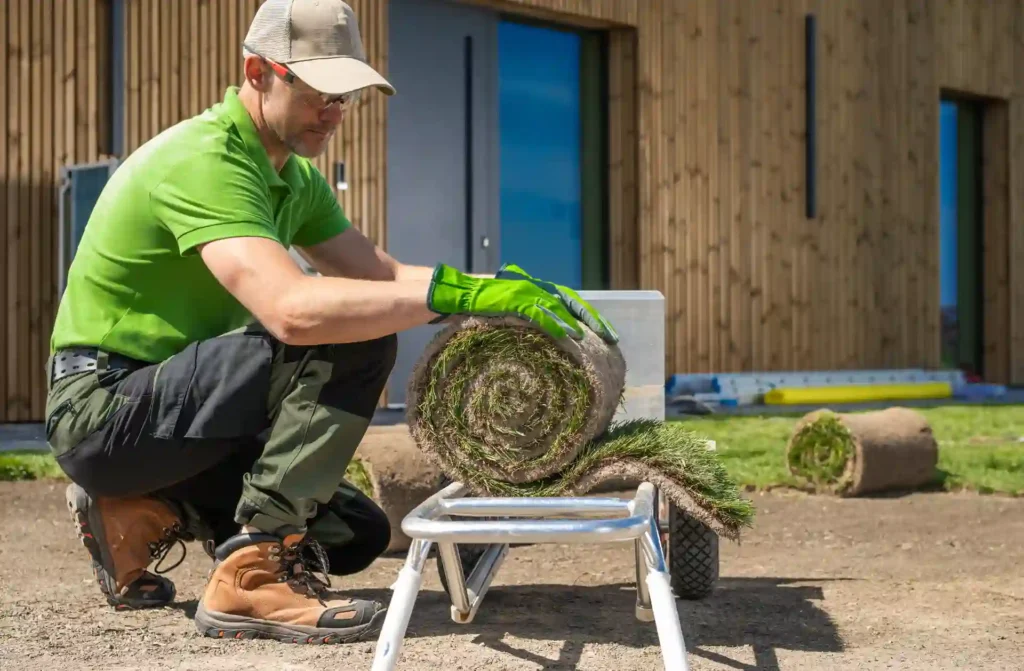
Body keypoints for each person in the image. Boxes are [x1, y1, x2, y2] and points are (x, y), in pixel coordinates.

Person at [45, 0, 617, 647]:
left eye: (347, 96)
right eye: (320, 91)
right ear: (258, 72)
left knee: (354, 535)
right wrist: (452, 293)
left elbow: (378, 272)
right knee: (349, 329)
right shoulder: (206, 159)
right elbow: (291, 309)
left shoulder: (292, 177)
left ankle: (140, 505)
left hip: (180, 414)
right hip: (104, 407)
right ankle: (252, 574)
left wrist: (490, 289)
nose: (335, 111)